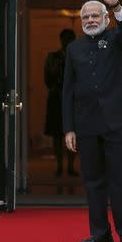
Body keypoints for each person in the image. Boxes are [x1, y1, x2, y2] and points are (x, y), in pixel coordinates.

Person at [62, 0, 122, 242]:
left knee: (121, 180)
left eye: (95, 15)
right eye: (85, 17)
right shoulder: (74, 48)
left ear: (106, 18)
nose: (90, 20)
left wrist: (116, 5)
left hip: (119, 121)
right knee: (93, 182)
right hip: (86, 124)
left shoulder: (118, 39)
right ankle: (100, 232)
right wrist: (69, 128)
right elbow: (67, 90)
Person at [44, 28, 78, 177]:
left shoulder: (78, 57)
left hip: (75, 100)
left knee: (73, 132)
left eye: (70, 39)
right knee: (57, 135)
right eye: (65, 39)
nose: (67, 42)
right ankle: (59, 166)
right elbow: (47, 78)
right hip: (56, 99)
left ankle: (70, 167)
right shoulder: (53, 57)